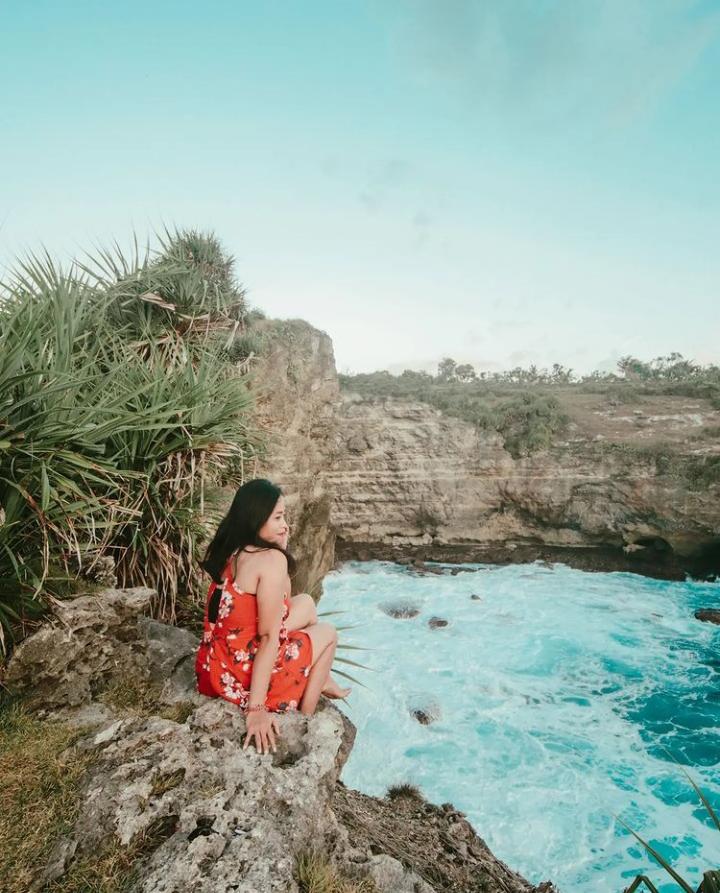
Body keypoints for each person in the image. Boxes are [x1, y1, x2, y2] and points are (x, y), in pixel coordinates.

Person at [195, 478, 351, 754]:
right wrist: (255, 709)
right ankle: (304, 717)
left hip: (216, 665)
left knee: (305, 603)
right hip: (243, 676)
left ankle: (320, 677)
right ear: (257, 520)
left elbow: (282, 603)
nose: (285, 525)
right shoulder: (270, 560)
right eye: (278, 518)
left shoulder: (235, 550)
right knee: (328, 632)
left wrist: (281, 545)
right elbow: (268, 637)